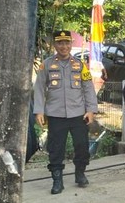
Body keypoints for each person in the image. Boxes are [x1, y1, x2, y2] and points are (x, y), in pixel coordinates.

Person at [34, 30, 98, 194]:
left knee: (82, 146)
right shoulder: (46, 65)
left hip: (78, 114)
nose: (64, 46)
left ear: (71, 44)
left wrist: (91, 110)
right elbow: (39, 89)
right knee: (56, 149)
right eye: (60, 43)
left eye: (67, 43)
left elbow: (88, 88)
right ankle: (57, 180)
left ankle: (80, 173)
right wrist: (39, 111)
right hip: (56, 115)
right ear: (55, 45)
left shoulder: (80, 64)